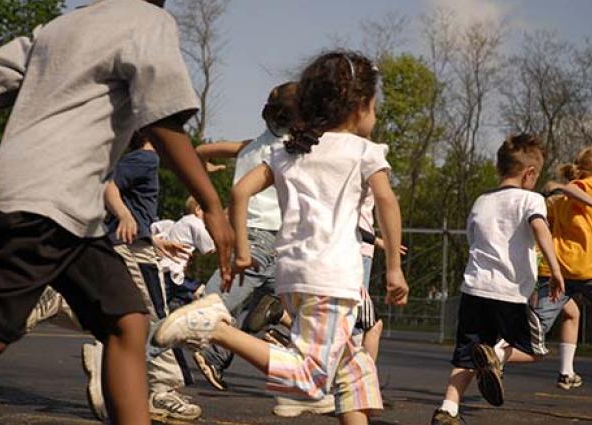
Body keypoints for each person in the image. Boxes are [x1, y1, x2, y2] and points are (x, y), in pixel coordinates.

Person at [0, 2, 232, 425]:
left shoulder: (60, 27)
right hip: (50, 196)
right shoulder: (146, 19)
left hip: (75, 211)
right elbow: (163, 121)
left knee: (127, 321)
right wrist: (211, 205)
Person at [154, 51, 409, 425]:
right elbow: (386, 202)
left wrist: (243, 251)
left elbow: (240, 192)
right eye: (374, 104)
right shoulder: (363, 152)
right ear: (358, 107)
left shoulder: (290, 151)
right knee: (309, 380)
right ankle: (217, 330)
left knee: (352, 368)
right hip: (332, 279)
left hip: (294, 278)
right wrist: (394, 269)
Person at [430, 134, 564, 425]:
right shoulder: (531, 199)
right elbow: (539, 227)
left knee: (467, 355)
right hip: (510, 292)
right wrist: (555, 269)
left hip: (474, 289)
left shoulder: (481, 201)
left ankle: (447, 409)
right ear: (530, 174)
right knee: (535, 350)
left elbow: (474, 240)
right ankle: (497, 356)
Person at [81, 132, 202, 422]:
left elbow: (134, 208)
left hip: (137, 245)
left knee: (131, 315)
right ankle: (163, 389)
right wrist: (123, 215)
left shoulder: (144, 161)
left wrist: (156, 240)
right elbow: (107, 184)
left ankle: (113, 359)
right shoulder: (146, 159)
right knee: (157, 316)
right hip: (134, 251)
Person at [191, 82, 298, 393]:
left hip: (250, 239)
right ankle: (146, 359)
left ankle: (218, 353)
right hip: (267, 241)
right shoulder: (291, 151)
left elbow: (198, 150)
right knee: (206, 311)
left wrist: (205, 167)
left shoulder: (248, 146)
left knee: (246, 307)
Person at [534, 145, 592, 390]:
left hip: (559, 271)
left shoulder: (561, 202)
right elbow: (566, 188)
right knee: (533, 332)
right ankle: (495, 355)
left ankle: (566, 372)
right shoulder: (587, 185)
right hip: (583, 270)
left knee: (571, 314)